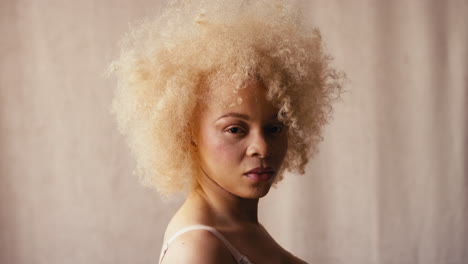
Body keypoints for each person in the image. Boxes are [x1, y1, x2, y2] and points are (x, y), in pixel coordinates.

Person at [108, 0, 344, 263]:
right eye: (235, 129)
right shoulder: (198, 249)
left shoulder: (240, 227)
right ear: (187, 133)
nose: (262, 147)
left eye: (275, 127)